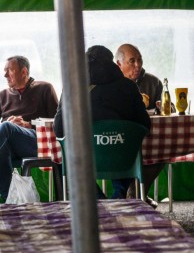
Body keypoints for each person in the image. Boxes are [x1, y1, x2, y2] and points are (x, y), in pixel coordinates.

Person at [54, 45, 151, 200]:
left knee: (73, 160)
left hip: (85, 163)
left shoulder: (72, 88)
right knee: (123, 143)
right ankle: (118, 198)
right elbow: (145, 125)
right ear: (112, 63)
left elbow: (59, 130)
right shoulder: (129, 86)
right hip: (124, 160)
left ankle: (99, 202)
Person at [0, 56, 59, 201]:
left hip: (36, 142)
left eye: (9, 70)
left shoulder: (44, 88)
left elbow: (58, 122)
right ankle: (8, 200)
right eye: (4, 71)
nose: (5, 75)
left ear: (23, 72)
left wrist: (28, 124)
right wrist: (4, 126)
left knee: (7, 128)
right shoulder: (2, 96)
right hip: (9, 143)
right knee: (3, 139)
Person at [115, 43, 163, 113]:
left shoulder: (154, 82)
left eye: (139, 60)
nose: (138, 65)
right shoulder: (111, 84)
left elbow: (171, 108)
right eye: (132, 61)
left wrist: (165, 106)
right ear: (119, 64)